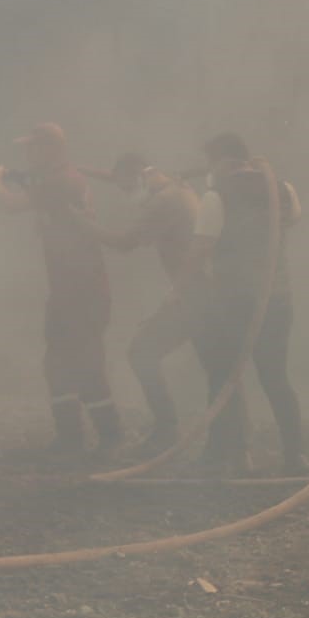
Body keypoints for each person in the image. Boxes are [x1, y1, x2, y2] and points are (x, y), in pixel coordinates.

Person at [174, 133, 308, 477]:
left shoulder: (215, 197)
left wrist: (182, 287)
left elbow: (200, 249)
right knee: (275, 377)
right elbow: (291, 220)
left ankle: (230, 455)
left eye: (209, 162)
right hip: (277, 299)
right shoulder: (283, 189)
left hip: (233, 302)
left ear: (220, 161)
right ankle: (295, 458)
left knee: (223, 375)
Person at [0, 124, 124, 454]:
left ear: (51, 150)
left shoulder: (62, 182)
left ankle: (108, 436)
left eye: (33, 148)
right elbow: (38, 190)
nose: (27, 154)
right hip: (69, 290)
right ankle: (72, 437)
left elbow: (11, 205)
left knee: (83, 363)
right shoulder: (60, 178)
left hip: (82, 291)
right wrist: (17, 176)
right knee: (59, 363)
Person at [72, 153, 200, 454]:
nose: (128, 195)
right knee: (215, 365)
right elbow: (118, 176)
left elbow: (123, 244)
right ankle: (228, 444)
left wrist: (83, 223)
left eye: (128, 188)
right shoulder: (177, 186)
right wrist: (78, 167)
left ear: (142, 176)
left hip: (197, 295)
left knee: (142, 352)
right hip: (196, 291)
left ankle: (168, 428)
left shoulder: (162, 202)